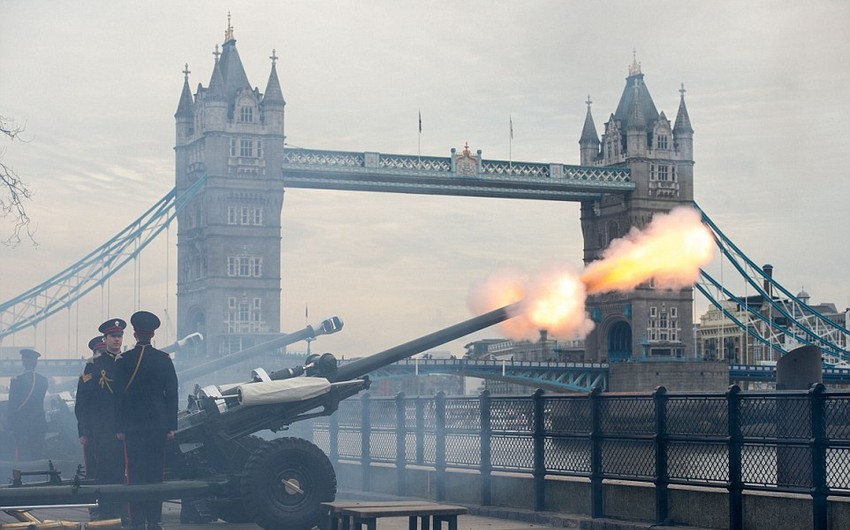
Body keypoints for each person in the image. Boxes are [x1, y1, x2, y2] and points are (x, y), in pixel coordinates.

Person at [113, 310, 178, 530]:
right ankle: (155, 520)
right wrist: (171, 426)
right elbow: (172, 394)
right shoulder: (163, 359)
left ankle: (138, 520)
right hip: (158, 426)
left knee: (135, 475)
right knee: (155, 475)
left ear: (134, 333)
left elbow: (118, 397)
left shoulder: (124, 360)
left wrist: (119, 427)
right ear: (152, 334)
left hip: (132, 428)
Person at [75, 320, 127, 522]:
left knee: (125, 472)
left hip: (125, 427)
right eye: (113, 336)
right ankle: (106, 512)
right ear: (105, 339)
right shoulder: (93, 365)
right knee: (105, 471)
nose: (116, 339)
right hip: (103, 428)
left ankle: (123, 511)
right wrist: (84, 431)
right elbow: (83, 401)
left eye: (119, 336)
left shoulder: (127, 362)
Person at [7, 348, 49, 461]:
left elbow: (12, 405)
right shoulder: (43, 380)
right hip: (38, 423)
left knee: (23, 454)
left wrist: (9, 423)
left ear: (23, 362)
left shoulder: (16, 380)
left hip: (22, 424)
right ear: (35, 363)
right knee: (37, 453)